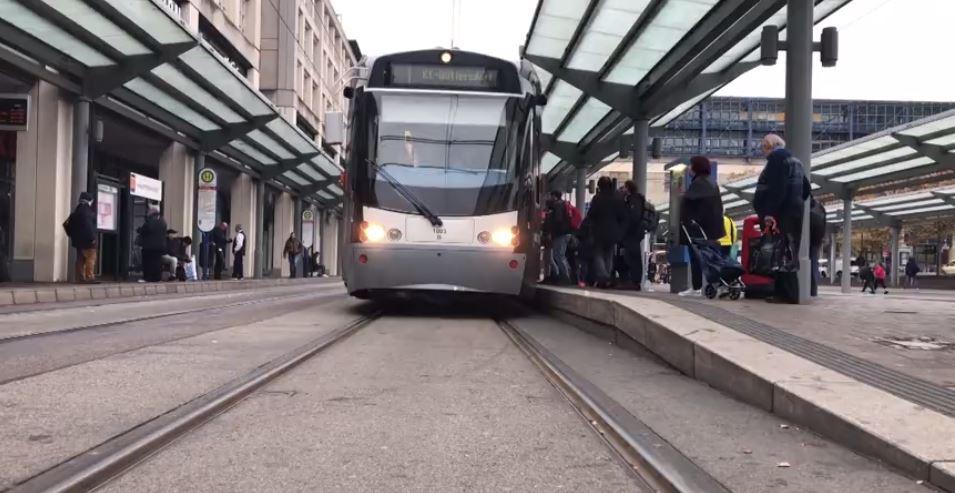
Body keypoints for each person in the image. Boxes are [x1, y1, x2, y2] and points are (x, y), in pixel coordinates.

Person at [752, 134, 810, 304]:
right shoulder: (795, 161)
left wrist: (769, 213)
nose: (762, 151)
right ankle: (785, 293)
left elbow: (777, 187)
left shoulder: (777, 159)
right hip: (794, 211)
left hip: (781, 213)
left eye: (763, 147)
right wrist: (796, 201)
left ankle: (786, 294)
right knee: (789, 250)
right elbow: (806, 188)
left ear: (769, 146)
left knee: (779, 250)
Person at [679, 156, 724, 296]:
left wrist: (690, 221)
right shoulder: (711, 183)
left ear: (696, 167)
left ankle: (697, 287)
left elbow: (690, 204)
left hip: (699, 229)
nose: (689, 168)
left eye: (691, 165)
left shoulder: (699, 184)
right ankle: (715, 284)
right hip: (712, 229)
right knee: (710, 257)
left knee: (696, 257)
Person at [583, 177, 628, 289]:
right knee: (609, 254)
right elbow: (623, 216)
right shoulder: (618, 198)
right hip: (613, 231)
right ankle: (607, 277)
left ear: (600, 186)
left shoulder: (597, 198)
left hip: (599, 230)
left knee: (598, 254)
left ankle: (603, 276)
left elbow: (591, 214)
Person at [63, 192, 98, 283]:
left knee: (80, 259)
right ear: (89, 201)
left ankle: (80, 278)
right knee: (91, 257)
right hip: (88, 240)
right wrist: (92, 238)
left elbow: (66, 225)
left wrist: (73, 235)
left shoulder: (75, 211)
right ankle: (89, 276)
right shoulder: (88, 212)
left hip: (78, 241)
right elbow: (89, 226)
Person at [621, 180, 648, 290]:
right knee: (632, 256)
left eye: (624, 187)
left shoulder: (634, 200)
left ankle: (635, 281)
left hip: (633, 233)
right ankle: (634, 280)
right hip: (636, 232)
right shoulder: (637, 199)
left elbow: (633, 217)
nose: (623, 189)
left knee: (632, 257)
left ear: (628, 188)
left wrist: (625, 229)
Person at [542, 191, 573, 285]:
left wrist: (551, 231)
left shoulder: (558, 205)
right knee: (558, 255)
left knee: (559, 255)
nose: (549, 198)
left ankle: (566, 277)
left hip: (561, 234)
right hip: (563, 233)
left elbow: (557, 220)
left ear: (554, 196)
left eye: (551, 196)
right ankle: (565, 276)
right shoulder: (561, 205)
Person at [137, 205, 168, 283]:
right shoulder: (162, 220)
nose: (147, 212)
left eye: (149, 210)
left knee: (148, 262)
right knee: (157, 262)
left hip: (150, 246)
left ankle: (148, 278)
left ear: (153, 211)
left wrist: (139, 230)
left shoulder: (152, 219)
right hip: (160, 246)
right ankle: (157, 277)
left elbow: (147, 229)